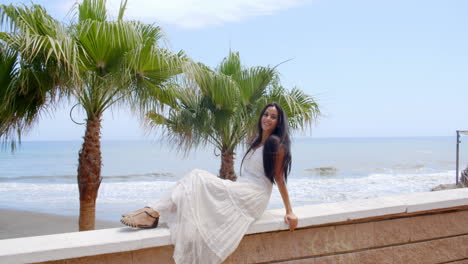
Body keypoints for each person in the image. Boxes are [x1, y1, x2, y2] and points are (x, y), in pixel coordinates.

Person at [121, 102, 298, 263]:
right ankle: (153, 213)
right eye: (266, 114)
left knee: (197, 176)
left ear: (278, 123)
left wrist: (289, 211)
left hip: (254, 195)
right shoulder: (257, 141)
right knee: (195, 181)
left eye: (273, 117)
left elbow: (279, 178)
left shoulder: (276, 144)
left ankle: (152, 214)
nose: (267, 119)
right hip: (243, 187)